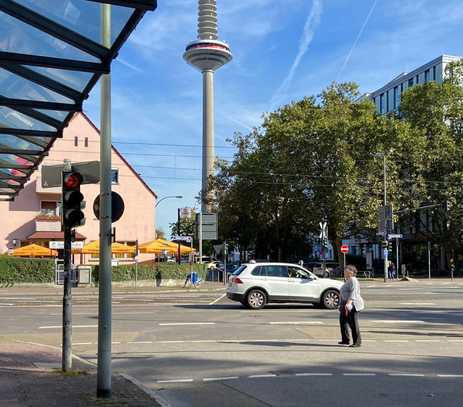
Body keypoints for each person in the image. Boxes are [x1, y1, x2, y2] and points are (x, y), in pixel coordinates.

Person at [338, 265, 364, 347]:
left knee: (353, 323)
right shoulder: (348, 280)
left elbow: (354, 293)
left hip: (353, 305)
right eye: (345, 270)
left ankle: (357, 342)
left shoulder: (353, 280)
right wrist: (341, 304)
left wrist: (349, 303)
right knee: (343, 321)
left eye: (346, 270)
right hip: (346, 304)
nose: (344, 272)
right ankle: (345, 340)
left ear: (351, 272)